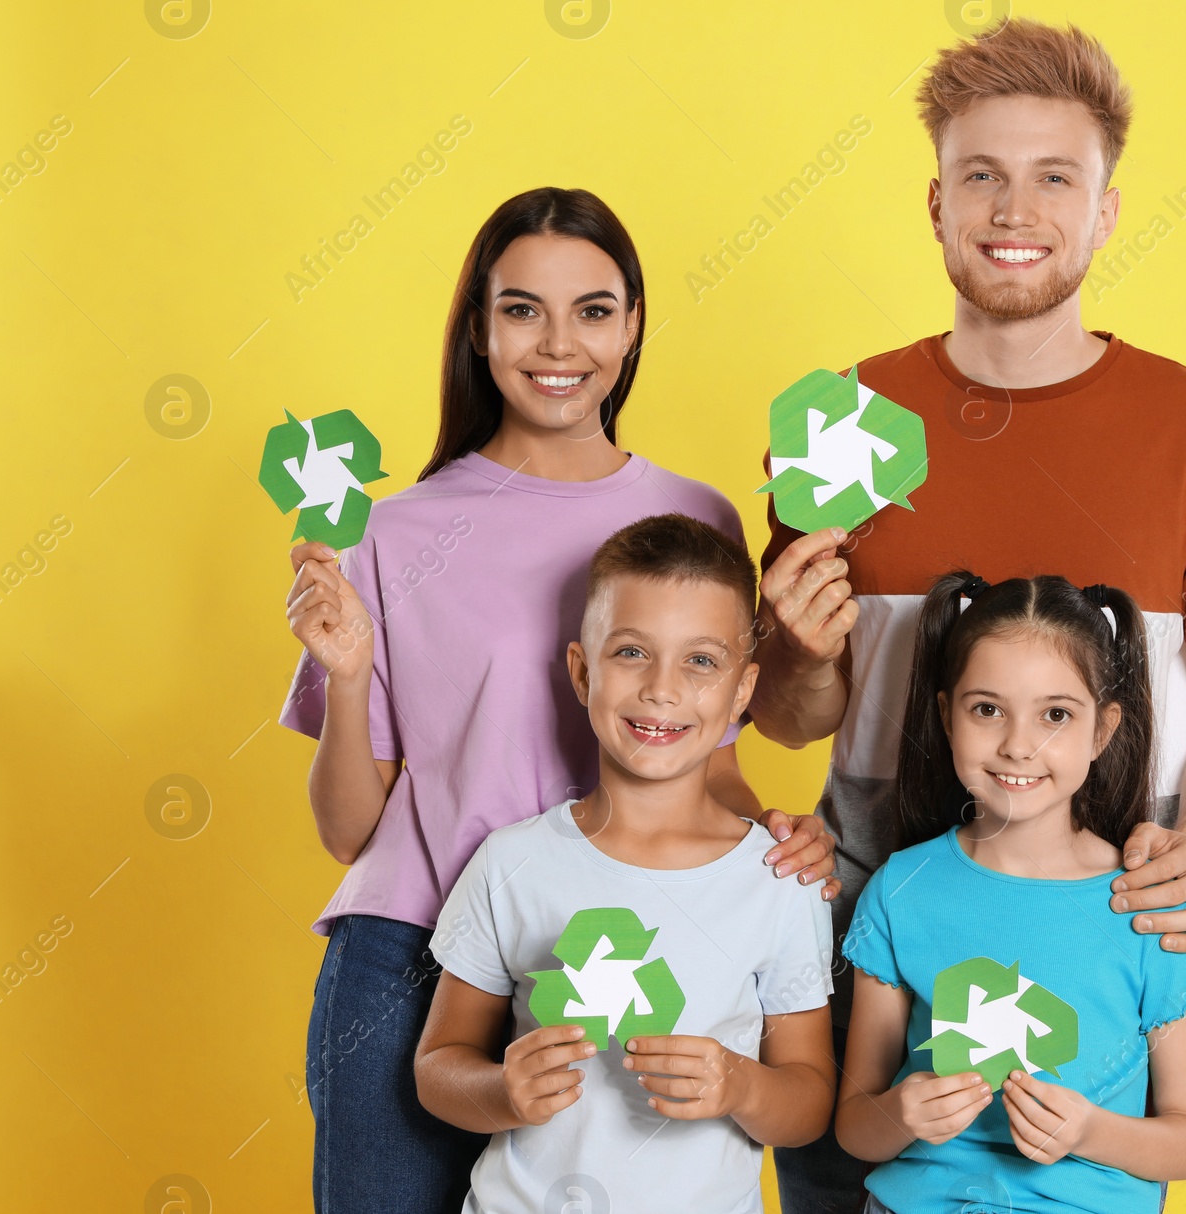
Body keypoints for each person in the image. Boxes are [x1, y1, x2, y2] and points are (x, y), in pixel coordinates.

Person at [752, 20, 1186, 1210]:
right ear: (936, 202)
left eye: (1056, 175)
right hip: (868, 917)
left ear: (1104, 210)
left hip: (1090, 925)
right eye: (982, 174)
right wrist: (792, 649)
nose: (1016, 207)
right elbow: (797, 721)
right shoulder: (837, 422)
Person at [277, 189, 837, 1214]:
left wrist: (778, 839)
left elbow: (703, 756)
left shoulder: (693, 510)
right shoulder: (390, 531)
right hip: (410, 953)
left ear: (631, 325)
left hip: (621, 953)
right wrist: (348, 677)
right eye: (523, 308)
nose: (558, 342)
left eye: (593, 308)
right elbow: (352, 828)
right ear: (480, 329)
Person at [414, 513, 836, 1214]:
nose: (661, 690)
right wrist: (500, 1091)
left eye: (700, 660)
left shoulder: (779, 879)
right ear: (582, 671)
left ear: (741, 691)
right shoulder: (511, 863)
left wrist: (741, 1086)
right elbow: (437, 1068)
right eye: (632, 652)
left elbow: (810, 1099)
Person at [834, 572, 1186, 1214]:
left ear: (1102, 731)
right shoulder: (900, 890)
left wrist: (1092, 1131)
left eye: (1056, 715)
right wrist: (900, 1115)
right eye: (987, 709)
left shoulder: (1149, 904)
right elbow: (855, 1128)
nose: (1018, 744)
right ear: (944, 715)